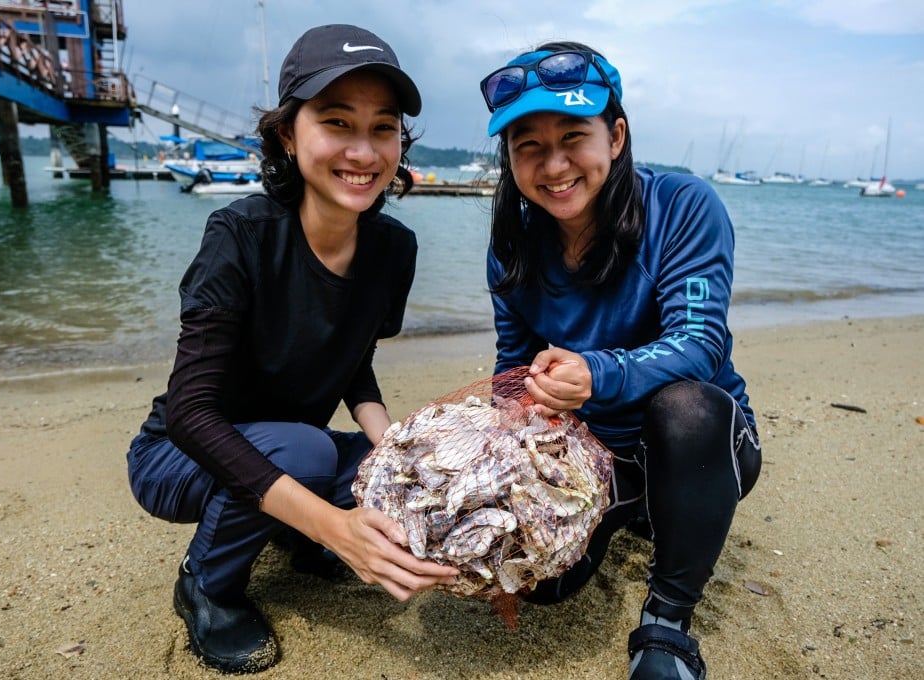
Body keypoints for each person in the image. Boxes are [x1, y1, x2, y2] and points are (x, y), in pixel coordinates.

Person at [126, 24, 458, 674]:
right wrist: (335, 528)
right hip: (177, 453)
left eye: (382, 128)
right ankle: (206, 586)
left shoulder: (394, 250)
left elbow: (352, 359)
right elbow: (191, 413)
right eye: (337, 122)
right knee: (306, 452)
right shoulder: (240, 236)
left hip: (281, 443)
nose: (363, 151)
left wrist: (391, 444)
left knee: (377, 467)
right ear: (287, 133)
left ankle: (291, 526)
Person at [479, 43, 762, 679]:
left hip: (705, 444)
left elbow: (700, 343)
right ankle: (633, 507)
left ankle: (666, 622)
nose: (554, 165)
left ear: (616, 134)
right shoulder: (512, 246)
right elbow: (511, 370)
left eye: (573, 137)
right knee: (544, 586)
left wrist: (596, 373)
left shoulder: (684, 206)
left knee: (685, 406)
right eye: (528, 145)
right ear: (510, 159)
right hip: (596, 457)